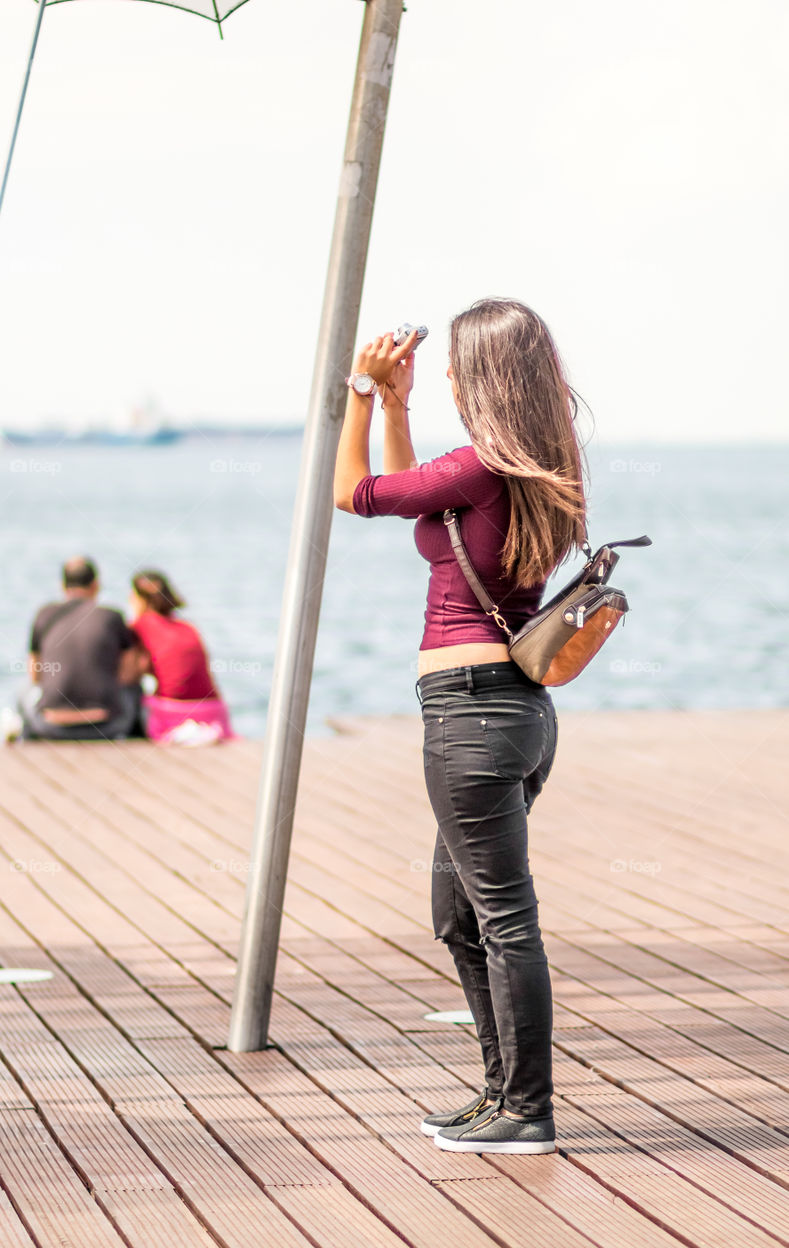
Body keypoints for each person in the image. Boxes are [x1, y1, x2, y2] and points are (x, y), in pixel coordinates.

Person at [333, 299, 587, 1155]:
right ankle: (499, 1095)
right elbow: (418, 510)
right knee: (459, 914)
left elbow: (354, 493)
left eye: (450, 368)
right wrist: (399, 407)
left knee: (504, 917)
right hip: (507, 713)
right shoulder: (524, 467)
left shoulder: (481, 467)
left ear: (482, 378)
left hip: (474, 713)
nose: (439, 375)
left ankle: (528, 1110)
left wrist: (362, 393)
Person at [21, 556, 143, 740]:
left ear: (63, 585)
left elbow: (35, 674)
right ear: (96, 585)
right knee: (135, 690)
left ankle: (28, 744)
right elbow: (128, 675)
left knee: (22, 692)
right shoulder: (112, 616)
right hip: (108, 725)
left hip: (50, 725)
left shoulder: (44, 615)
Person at [128, 569, 236, 744]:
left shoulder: (141, 624)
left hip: (172, 712)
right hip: (214, 710)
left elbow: (132, 671)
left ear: (138, 599)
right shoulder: (187, 627)